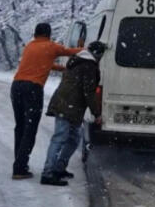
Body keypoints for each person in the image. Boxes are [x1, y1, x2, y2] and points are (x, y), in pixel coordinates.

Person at [10, 23, 82, 180]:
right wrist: (87, 49)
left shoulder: (30, 46)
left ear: (35, 34)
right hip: (32, 89)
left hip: (16, 87)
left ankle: (19, 164)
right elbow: (71, 52)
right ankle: (20, 168)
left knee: (20, 127)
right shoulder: (50, 46)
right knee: (30, 129)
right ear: (48, 34)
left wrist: (61, 69)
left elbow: (42, 63)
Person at [41, 41, 106, 186]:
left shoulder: (76, 60)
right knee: (60, 138)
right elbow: (88, 92)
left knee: (73, 139)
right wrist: (97, 114)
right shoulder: (88, 65)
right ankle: (48, 173)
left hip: (67, 104)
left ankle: (58, 168)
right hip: (68, 106)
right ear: (98, 54)